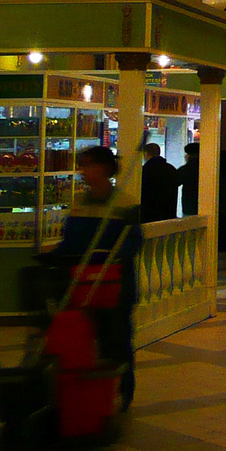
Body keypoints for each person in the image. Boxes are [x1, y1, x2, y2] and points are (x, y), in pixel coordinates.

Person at [46, 146, 143, 410]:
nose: (83, 172)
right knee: (81, 336)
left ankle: (122, 390)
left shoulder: (125, 205)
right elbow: (71, 243)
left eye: (88, 165)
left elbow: (133, 243)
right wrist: (52, 255)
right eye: (82, 166)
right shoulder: (79, 204)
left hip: (115, 285)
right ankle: (83, 389)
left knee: (117, 339)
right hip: (81, 282)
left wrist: (110, 258)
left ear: (105, 168)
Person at [140, 142, 181, 223]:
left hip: (149, 216)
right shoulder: (171, 169)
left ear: (146, 154)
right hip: (169, 215)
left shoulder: (144, 170)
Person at [178, 142, 200, 218]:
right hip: (205, 205)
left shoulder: (185, 169)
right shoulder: (208, 167)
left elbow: (175, 182)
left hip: (189, 207)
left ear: (188, 155)